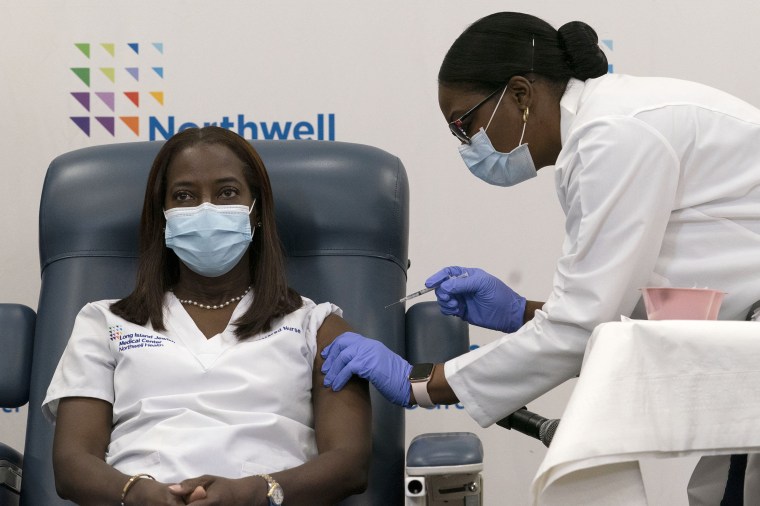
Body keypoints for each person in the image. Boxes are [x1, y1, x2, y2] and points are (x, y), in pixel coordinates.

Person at [320, 11, 760, 504]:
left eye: (466, 125)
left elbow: (578, 328)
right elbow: (607, 314)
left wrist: (420, 383)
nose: (468, 147)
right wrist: (522, 312)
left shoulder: (612, 136)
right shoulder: (601, 134)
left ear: (521, 93)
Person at [43, 126, 371, 506]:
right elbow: (71, 463)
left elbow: (350, 464)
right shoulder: (103, 322)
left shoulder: (318, 326)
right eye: (184, 196)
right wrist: (137, 494)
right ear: (163, 215)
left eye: (227, 192)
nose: (205, 209)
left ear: (256, 211)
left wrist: (251, 492)